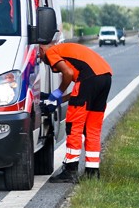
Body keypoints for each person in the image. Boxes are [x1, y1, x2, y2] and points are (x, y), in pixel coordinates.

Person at [39, 42, 113, 183]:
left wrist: (58, 93)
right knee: (92, 128)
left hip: (89, 79)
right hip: (105, 77)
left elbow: (68, 73)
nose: (42, 60)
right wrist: (58, 100)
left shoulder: (50, 52)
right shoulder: (66, 49)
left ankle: (70, 170)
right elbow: (80, 91)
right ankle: (92, 172)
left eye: (39, 56)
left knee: (74, 127)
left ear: (42, 49)